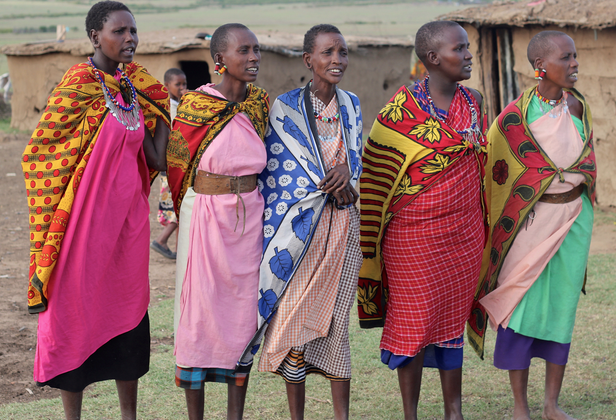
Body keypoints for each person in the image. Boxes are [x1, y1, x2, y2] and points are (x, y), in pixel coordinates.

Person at [20, 1, 170, 419]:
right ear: (94, 37)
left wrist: (161, 107)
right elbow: (37, 154)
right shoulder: (76, 85)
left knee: (128, 312)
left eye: (133, 31)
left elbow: (158, 159)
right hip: (81, 226)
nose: (130, 39)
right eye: (119, 31)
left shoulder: (135, 86)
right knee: (74, 313)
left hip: (128, 227)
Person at [358, 21, 488, 420]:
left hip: (465, 236)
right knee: (411, 324)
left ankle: (454, 412)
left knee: (451, 320)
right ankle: (410, 414)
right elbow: (375, 176)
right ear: (432, 58)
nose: (468, 54)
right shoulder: (398, 113)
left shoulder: (476, 102)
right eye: (459, 48)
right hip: (412, 240)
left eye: (468, 47)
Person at [239, 24, 363, 420]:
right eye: (327, 53)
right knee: (293, 325)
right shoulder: (285, 107)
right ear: (308, 59)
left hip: (344, 229)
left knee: (335, 326)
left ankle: (340, 415)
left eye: (342, 52)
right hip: (299, 233)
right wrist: (324, 186)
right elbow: (277, 175)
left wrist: (348, 174)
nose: (337, 61)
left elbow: (357, 161)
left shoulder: (353, 105)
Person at [475, 31, 596, 420]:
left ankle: (551, 405)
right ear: (541, 67)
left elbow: (587, 166)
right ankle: (519, 407)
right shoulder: (514, 119)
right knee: (521, 308)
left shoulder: (579, 108)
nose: (575, 63)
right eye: (567, 57)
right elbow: (495, 172)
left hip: (573, 222)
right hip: (527, 228)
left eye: (576, 56)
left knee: (561, 309)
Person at [166, 23, 269, 420]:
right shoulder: (196, 105)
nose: (253, 57)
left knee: (242, 316)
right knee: (198, 314)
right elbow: (177, 166)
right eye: (243, 50)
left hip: (250, 218)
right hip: (205, 217)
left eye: (256, 50)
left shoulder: (259, 104)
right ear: (219, 60)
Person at [150, 68, 187, 259]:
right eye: (178, 84)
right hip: (171, 165)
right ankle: (162, 240)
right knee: (180, 207)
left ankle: (176, 248)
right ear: (166, 86)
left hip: (178, 164)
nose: (182, 88)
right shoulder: (169, 109)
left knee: (180, 207)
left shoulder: (180, 105)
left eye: (184, 84)